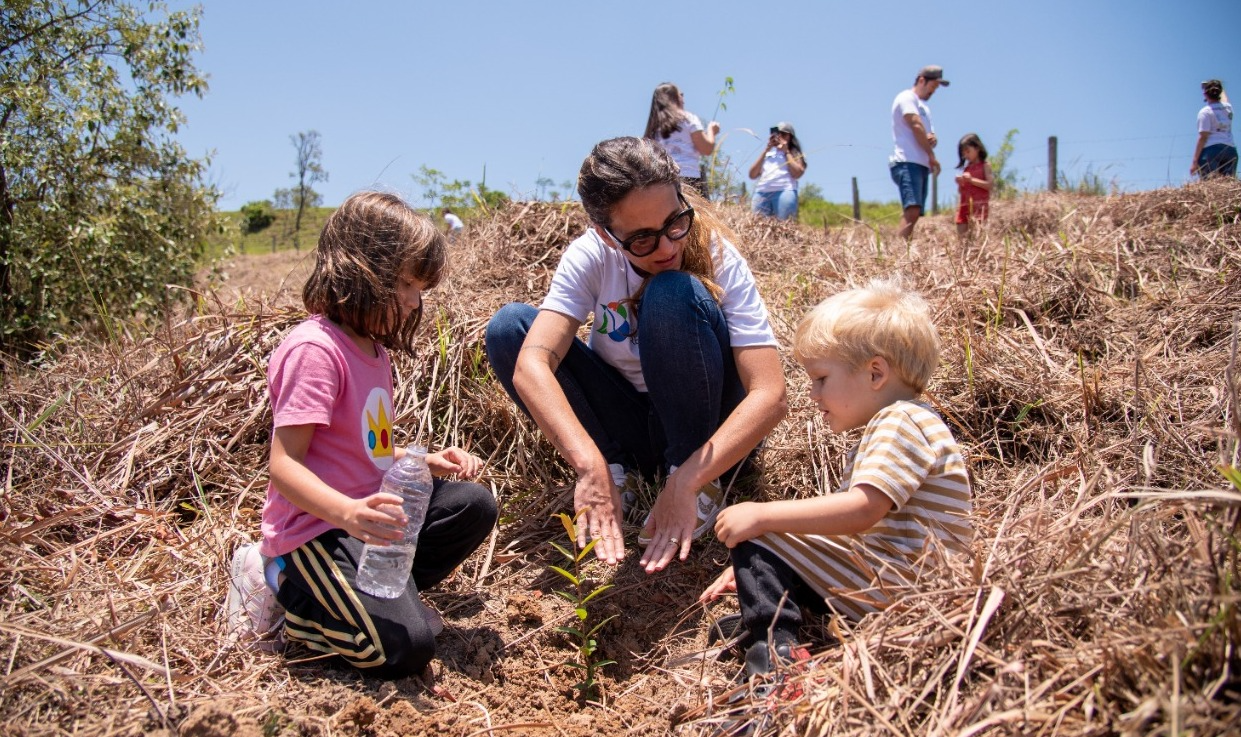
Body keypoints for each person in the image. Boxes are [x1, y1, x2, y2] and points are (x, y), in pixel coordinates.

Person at [226, 191, 499, 679]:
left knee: (472, 505)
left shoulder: (373, 352)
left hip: (365, 519)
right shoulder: (314, 351)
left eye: (421, 287)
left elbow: (366, 446)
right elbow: (284, 466)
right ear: (362, 272)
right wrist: (346, 512)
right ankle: (281, 589)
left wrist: (425, 459)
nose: (416, 301)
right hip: (316, 531)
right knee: (407, 647)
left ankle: (380, 600)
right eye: (407, 284)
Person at [485, 137, 787, 574]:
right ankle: (617, 471)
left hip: (708, 431)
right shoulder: (590, 257)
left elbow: (770, 394)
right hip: (632, 423)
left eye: (674, 223)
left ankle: (697, 479)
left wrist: (688, 477)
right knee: (509, 327)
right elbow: (532, 365)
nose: (666, 247)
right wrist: (589, 464)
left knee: (670, 291)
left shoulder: (719, 255)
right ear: (606, 235)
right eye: (642, 239)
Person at [700, 277, 972, 684]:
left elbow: (862, 511)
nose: (813, 394)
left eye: (822, 378)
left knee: (758, 527)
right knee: (770, 539)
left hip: (906, 589)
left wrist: (764, 523)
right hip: (900, 583)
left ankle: (774, 659)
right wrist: (766, 566)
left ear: (876, 373)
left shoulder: (899, 421)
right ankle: (765, 614)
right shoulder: (910, 421)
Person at [890, 66, 949, 240]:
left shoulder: (924, 107)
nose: (934, 91)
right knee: (912, 209)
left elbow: (924, 131)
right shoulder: (907, 97)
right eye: (933, 86)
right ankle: (898, 253)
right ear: (922, 80)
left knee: (915, 213)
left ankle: (902, 248)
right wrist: (932, 155)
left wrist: (931, 139)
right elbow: (915, 125)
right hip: (907, 161)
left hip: (920, 163)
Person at [644, 82, 722, 196]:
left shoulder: (653, 127)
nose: (683, 98)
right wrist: (711, 131)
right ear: (674, 98)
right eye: (681, 94)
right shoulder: (688, 118)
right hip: (689, 177)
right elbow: (706, 149)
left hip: (663, 181)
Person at [748, 122, 807, 221]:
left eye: (783, 134)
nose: (779, 137)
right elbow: (752, 174)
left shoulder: (794, 153)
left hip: (785, 191)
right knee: (757, 226)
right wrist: (766, 150)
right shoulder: (768, 153)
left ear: (790, 136)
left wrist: (786, 152)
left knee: (785, 226)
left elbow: (797, 173)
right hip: (762, 192)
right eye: (776, 134)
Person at [1192, 79, 1237, 179]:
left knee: (1209, 183)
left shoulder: (1205, 112)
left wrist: (1194, 161)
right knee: (1228, 185)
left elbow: (1203, 137)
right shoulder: (1228, 108)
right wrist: (1220, 85)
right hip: (1230, 150)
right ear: (1220, 92)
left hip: (1211, 151)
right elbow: (1225, 100)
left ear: (1205, 94)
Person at [954, 133, 994, 240]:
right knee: (962, 237)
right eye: (963, 153)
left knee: (978, 236)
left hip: (979, 207)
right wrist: (961, 183)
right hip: (965, 207)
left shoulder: (985, 166)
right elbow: (961, 191)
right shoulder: (967, 169)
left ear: (977, 148)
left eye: (968, 151)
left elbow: (989, 185)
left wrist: (972, 180)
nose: (966, 155)